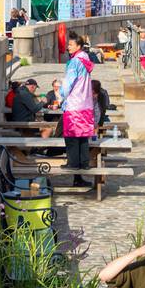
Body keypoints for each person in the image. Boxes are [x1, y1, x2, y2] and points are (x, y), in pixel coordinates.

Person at [60, 30, 94, 185]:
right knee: (83, 137)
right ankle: (84, 163)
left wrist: (61, 95)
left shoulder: (74, 62)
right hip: (86, 104)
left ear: (79, 46)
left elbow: (68, 84)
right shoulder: (86, 60)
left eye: (71, 44)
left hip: (74, 104)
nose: (68, 47)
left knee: (71, 136)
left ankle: (73, 163)